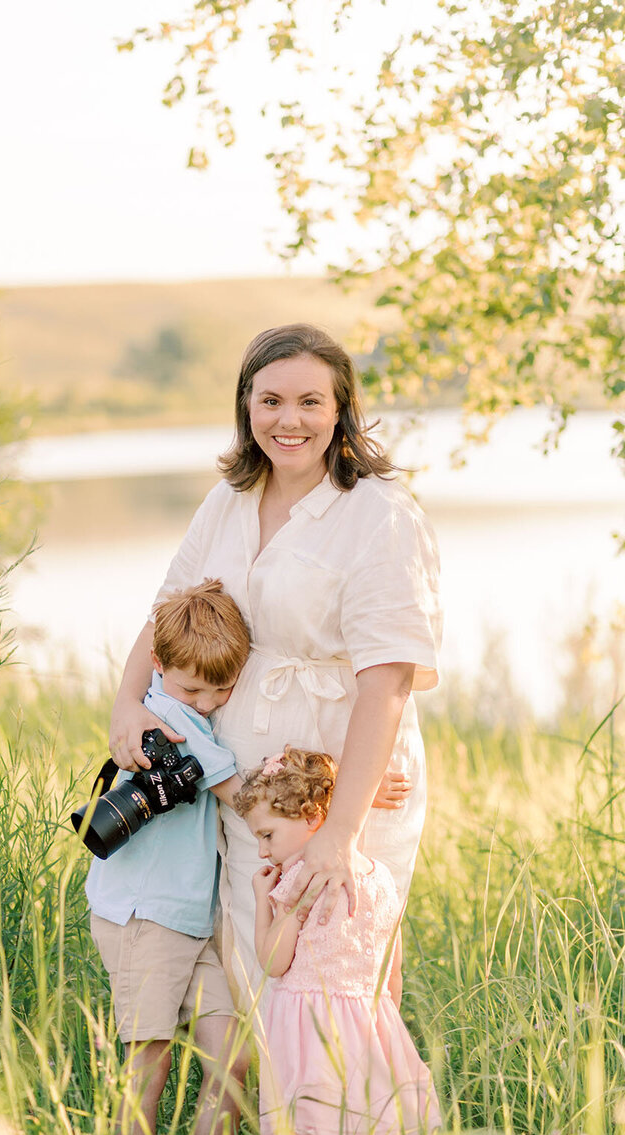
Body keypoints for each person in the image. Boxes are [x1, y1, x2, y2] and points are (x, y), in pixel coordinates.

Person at [108, 323, 441, 1002]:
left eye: (311, 402)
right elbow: (165, 611)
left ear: (342, 410)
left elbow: (389, 681)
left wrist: (341, 833)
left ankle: (354, 1112)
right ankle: (273, 1112)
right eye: (271, 401)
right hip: (247, 784)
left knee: (339, 984)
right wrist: (126, 702)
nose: (289, 420)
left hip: (346, 780)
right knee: (255, 977)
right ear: (246, 406)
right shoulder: (226, 501)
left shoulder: (380, 513)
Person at [85, 579, 252, 1135]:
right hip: (144, 918)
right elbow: (249, 802)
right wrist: (352, 797)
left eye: (220, 689)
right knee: (147, 1067)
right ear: (157, 666)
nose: (205, 703)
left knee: (232, 1059)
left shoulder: (185, 709)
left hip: (193, 918)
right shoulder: (170, 723)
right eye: (191, 688)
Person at [237, 747, 440, 1135]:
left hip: (312, 1032)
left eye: (268, 835)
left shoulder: (296, 880)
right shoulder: (382, 879)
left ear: (312, 816)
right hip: (372, 1027)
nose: (262, 849)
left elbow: (274, 962)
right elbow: (393, 972)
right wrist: (378, 1023)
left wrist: (261, 901)